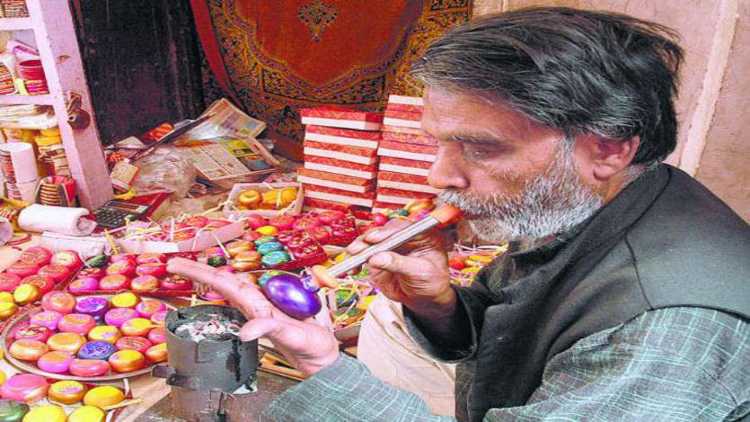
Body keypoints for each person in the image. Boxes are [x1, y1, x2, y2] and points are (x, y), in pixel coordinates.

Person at [168, 6, 750, 421]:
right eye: (439, 143)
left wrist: (324, 371)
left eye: (481, 147)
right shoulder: (603, 203)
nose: (439, 177)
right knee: (387, 320)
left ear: (609, 146)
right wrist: (437, 304)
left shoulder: (664, 325)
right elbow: (519, 321)